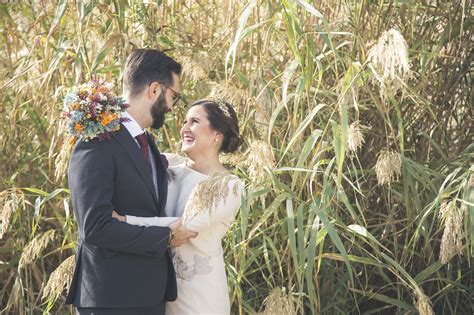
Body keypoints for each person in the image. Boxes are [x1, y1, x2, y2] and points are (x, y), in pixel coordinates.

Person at [66, 48, 197, 315]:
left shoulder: (147, 143)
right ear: (154, 90)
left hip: (149, 295)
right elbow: (95, 227)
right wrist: (166, 237)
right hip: (111, 298)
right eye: (174, 96)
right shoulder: (96, 142)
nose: (173, 107)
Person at [113, 99, 244, 314]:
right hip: (157, 291)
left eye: (194, 121)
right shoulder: (167, 164)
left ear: (217, 133)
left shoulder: (228, 186)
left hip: (199, 298)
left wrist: (126, 221)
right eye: (184, 121)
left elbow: (185, 226)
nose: (184, 128)